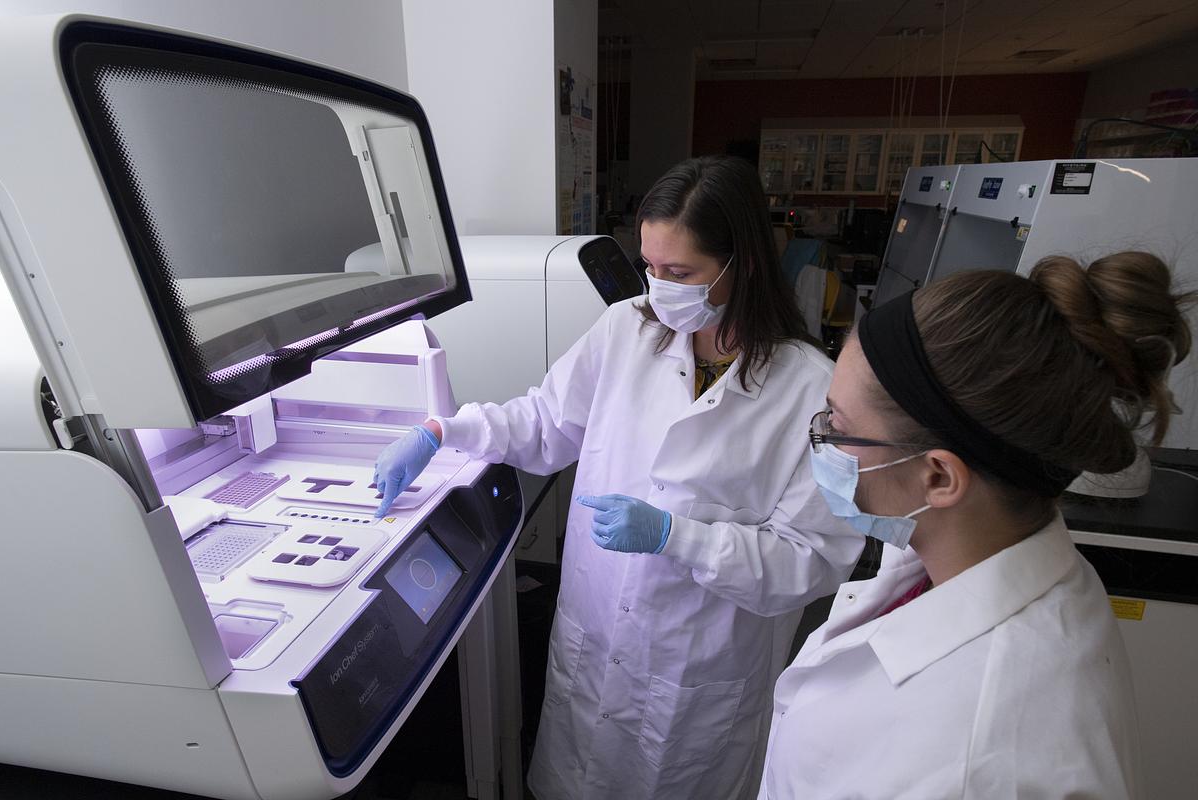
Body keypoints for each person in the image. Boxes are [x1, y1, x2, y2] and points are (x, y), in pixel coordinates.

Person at [373, 155, 861, 799]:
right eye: (650, 267)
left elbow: (812, 561)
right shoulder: (626, 329)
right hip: (596, 631)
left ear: (740, 263)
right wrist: (446, 430)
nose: (658, 289)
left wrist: (676, 538)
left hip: (697, 672)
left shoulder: (810, 390)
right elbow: (546, 424)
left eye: (680, 273)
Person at [758, 251, 1193, 799]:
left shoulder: (987, 760)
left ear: (939, 478)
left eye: (837, 426)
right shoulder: (960, 552)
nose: (818, 438)